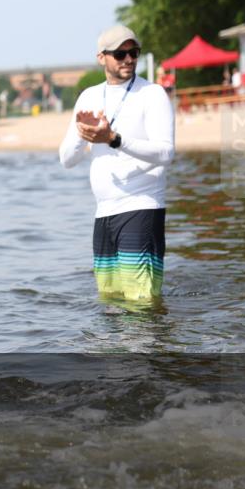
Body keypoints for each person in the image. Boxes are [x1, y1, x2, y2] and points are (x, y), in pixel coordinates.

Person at [59, 25, 175, 304]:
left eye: (133, 52)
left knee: (141, 304)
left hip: (141, 206)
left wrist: (113, 139)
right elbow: (67, 159)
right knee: (109, 303)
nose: (128, 59)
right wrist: (82, 132)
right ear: (102, 57)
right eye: (120, 53)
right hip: (104, 214)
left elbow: (166, 153)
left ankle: (152, 348)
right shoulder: (88, 96)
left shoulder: (153, 94)